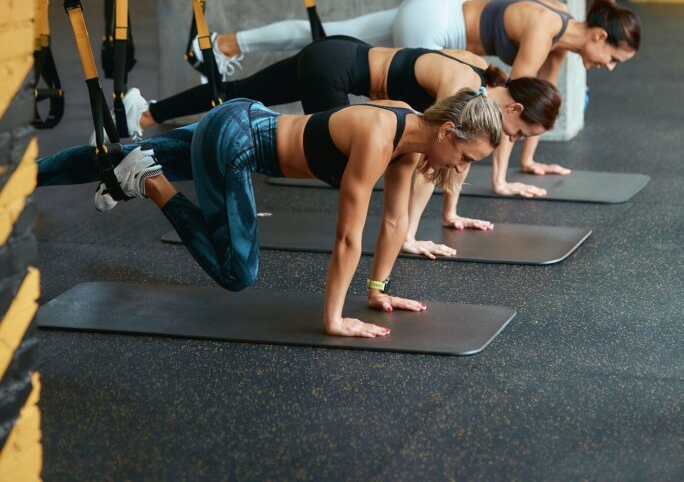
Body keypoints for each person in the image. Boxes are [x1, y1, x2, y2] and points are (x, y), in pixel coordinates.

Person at [37, 90, 502, 338]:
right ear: (447, 132)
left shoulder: (410, 137)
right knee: (237, 272)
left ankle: (19, 174)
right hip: (237, 144)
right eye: (466, 157)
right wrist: (334, 319)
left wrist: (378, 291)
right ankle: (150, 181)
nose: (462, 169)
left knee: (112, 153)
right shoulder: (381, 133)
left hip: (241, 121)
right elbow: (346, 238)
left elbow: (397, 221)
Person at [119, 35, 561, 236]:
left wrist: (448, 214)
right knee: (338, 166)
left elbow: (446, 157)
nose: (516, 139)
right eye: (521, 132)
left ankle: (145, 115)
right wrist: (407, 231)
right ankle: (201, 179)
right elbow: (429, 163)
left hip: (334, 54)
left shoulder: (480, 69)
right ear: (514, 109)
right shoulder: (465, 90)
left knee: (240, 90)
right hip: (335, 71)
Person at [197, 0, 639, 182]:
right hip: (437, 27)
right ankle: (399, 218)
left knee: (328, 33)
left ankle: (228, 43)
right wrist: (502, 180)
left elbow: (540, 107)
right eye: (614, 59)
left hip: (434, 5)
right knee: (420, 127)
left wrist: (529, 163)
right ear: (600, 37)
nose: (610, 67)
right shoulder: (544, 31)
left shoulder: (561, 21)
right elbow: (511, 110)